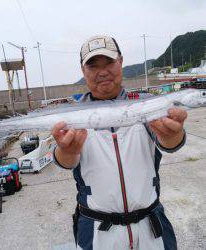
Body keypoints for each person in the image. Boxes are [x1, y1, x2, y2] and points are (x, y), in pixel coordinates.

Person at [52, 35, 187, 250]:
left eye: (109, 63)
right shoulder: (72, 115)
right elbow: (64, 160)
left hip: (151, 228)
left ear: (121, 62)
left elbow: (168, 143)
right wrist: (67, 151)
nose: (102, 71)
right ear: (83, 70)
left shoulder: (145, 106)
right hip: (97, 232)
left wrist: (173, 136)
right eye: (93, 66)